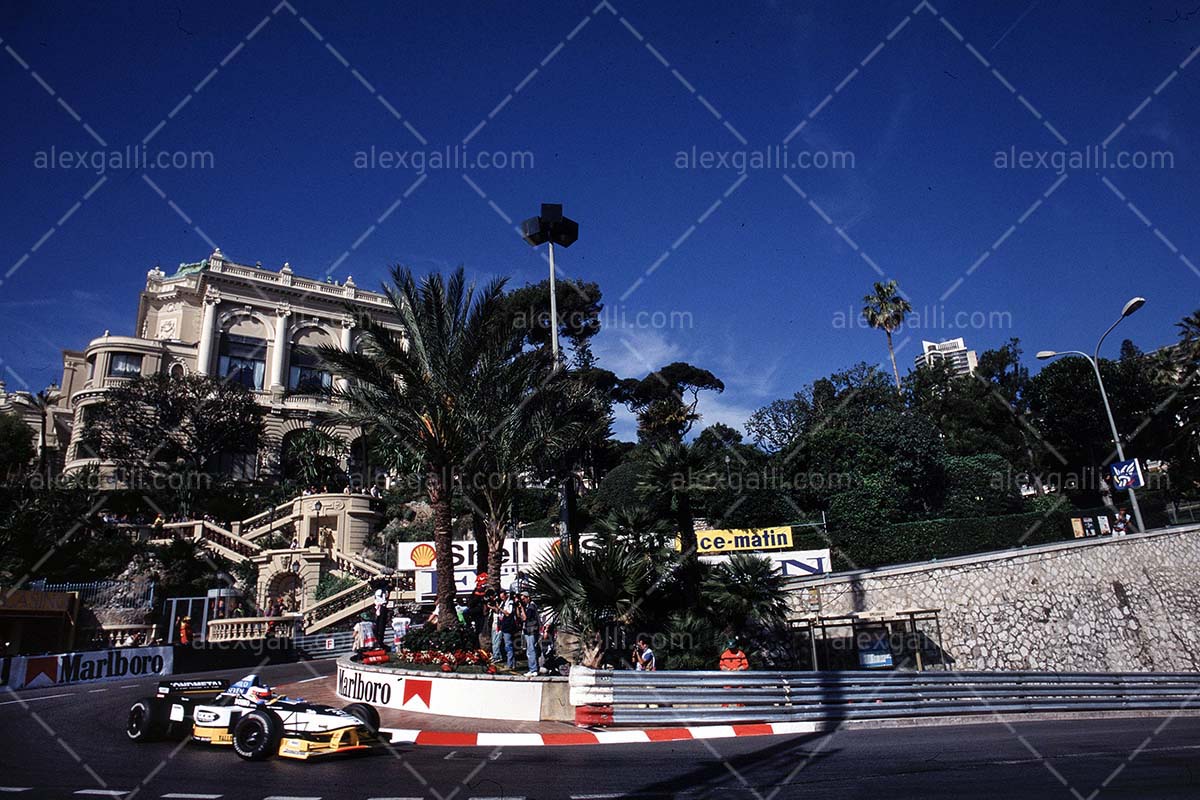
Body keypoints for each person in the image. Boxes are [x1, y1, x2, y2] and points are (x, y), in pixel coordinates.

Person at [520, 592, 541, 676]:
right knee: (529, 650)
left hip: (531, 630)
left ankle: (533, 669)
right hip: (528, 630)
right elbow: (521, 617)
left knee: (531, 650)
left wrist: (522, 608)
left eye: (524, 599)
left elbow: (525, 618)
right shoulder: (528, 607)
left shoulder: (531, 607)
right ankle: (533, 668)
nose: (523, 601)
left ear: (528, 598)